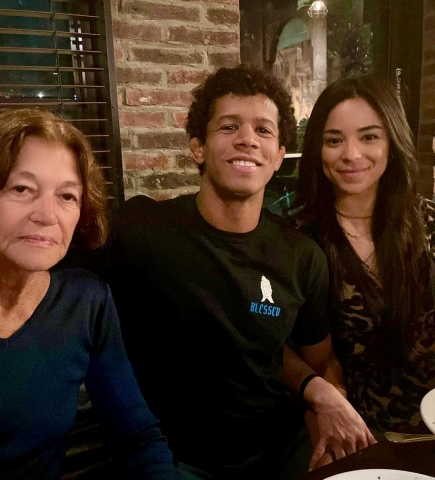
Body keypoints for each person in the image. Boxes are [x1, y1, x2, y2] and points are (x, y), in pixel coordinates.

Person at [104, 64, 374, 480]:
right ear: (198, 147)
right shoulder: (143, 230)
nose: (247, 139)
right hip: (178, 459)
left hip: (281, 453)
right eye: (229, 126)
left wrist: (328, 403)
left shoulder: (301, 256)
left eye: (264, 131)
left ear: (279, 156)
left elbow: (321, 361)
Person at [0, 108, 176, 479]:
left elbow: (136, 437)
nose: (47, 215)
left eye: (66, 196)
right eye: (21, 189)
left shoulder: (85, 301)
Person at [294, 74, 435, 439]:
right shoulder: (299, 242)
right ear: (317, 149)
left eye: (369, 136)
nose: (351, 154)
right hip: (359, 438)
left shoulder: (429, 222)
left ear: (392, 142)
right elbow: (289, 350)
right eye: (334, 140)